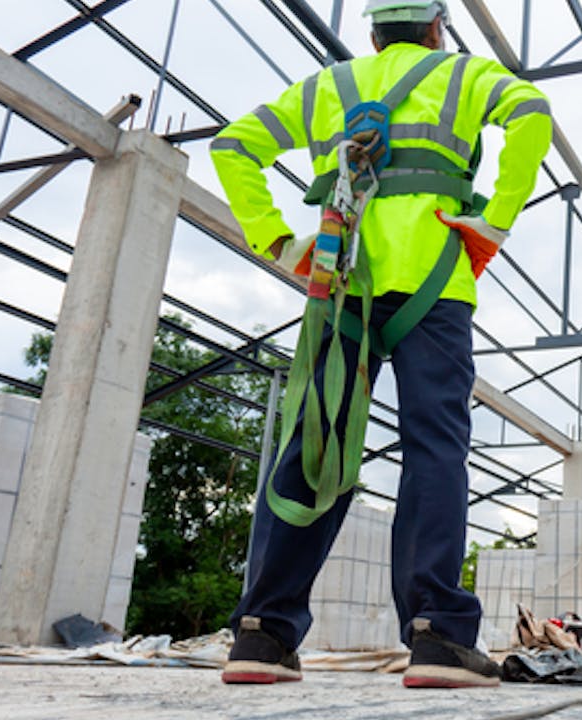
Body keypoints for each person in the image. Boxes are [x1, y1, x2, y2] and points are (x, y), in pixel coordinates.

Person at [207, 0, 550, 688]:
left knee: (317, 440)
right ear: (435, 27)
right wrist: (496, 221)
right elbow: (532, 113)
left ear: (371, 31)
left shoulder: (329, 86)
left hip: (342, 279)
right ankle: (436, 637)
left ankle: (261, 634)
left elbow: (233, 144)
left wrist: (275, 237)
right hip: (435, 282)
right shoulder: (463, 76)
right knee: (435, 446)